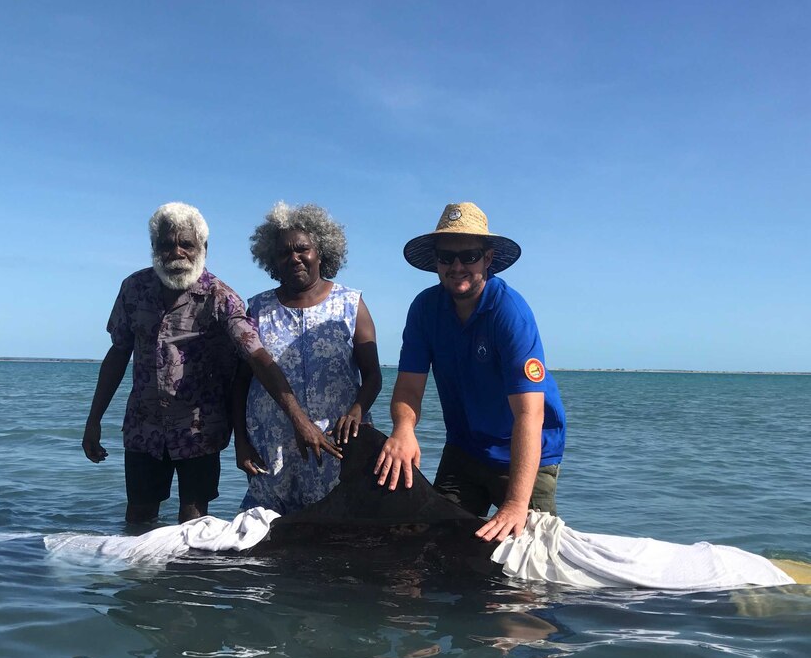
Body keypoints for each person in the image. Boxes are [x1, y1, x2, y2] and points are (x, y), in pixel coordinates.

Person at [82, 201, 341, 524]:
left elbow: (257, 358)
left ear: (203, 248)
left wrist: (299, 420)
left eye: (186, 244)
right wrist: (93, 421)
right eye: (166, 244)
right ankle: (141, 577)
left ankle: (185, 577)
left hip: (199, 432)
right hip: (143, 428)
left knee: (194, 522)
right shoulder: (133, 289)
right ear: (153, 248)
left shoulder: (221, 297)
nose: (177, 252)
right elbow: (118, 352)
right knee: (138, 516)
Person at [374, 201, 566, 542]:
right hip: (464, 449)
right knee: (434, 545)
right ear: (436, 261)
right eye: (447, 257)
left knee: (528, 561)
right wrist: (403, 429)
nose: (457, 266)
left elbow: (530, 415)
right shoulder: (424, 309)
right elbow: (407, 389)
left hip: (523, 452)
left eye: (469, 256)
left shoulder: (510, 313)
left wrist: (516, 504)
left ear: (488, 259)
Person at [234, 201, 382, 514]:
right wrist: (241, 442)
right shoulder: (257, 309)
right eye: (284, 253)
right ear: (272, 259)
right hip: (270, 447)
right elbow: (240, 382)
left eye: (302, 249)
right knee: (266, 544)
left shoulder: (350, 304)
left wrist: (357, 410)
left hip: (334, 447)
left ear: (321, 251)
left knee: (332, 536)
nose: (294, 258)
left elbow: (373, 376)